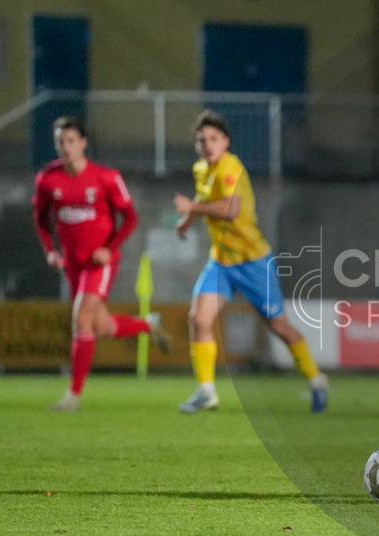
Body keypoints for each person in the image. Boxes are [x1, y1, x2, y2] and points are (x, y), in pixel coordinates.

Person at [173, 110, 329, 414]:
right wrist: (187, 219)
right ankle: (206, 391)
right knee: (199, 319)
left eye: (213, 139)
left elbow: (231, 209)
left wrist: (192, 207)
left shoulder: (231, 167)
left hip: (253, 260)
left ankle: (316, 379)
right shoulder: (201, 169)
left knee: (280, 327)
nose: (207, 144)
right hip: (220, 262)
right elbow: (204, 197)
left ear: (226, 142)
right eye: (202, 140)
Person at [33, 116, 173, 412]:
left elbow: (131, 218)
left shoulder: (106, 177)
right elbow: (41, 219)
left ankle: (73, 396)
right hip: (73, 263)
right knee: (101, 326)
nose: (66, 146)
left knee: (81, 318)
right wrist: (50, 250)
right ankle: (148, 325)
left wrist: (109, 249)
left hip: (100, 263)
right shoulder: (48, 178)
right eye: (61, 141)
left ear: (83, 143)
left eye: (71, 140)